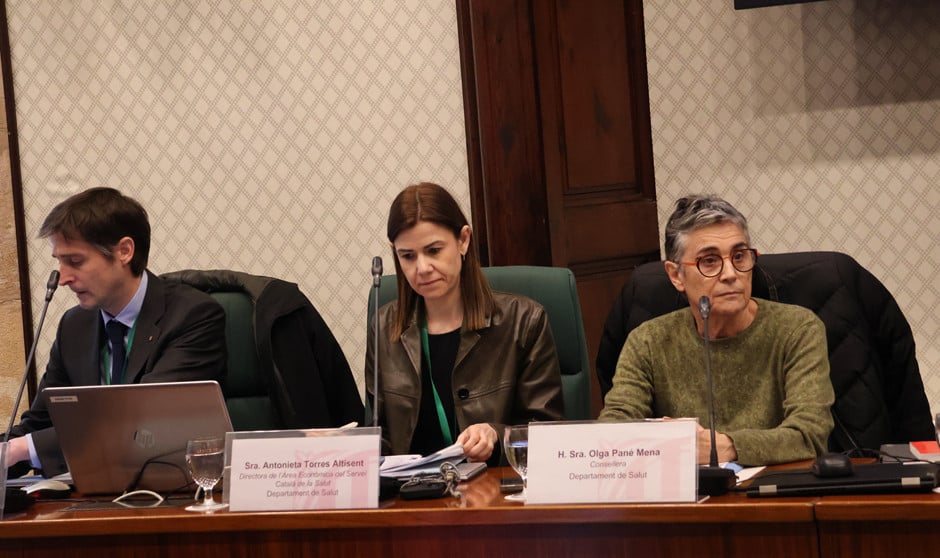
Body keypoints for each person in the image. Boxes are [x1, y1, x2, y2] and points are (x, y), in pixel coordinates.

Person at [6, 187, 226, 477]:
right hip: (91, 493)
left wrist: (24, 448)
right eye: (59, 261)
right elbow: (40, 424)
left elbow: (142, 422)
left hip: (173, 489)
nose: (63, 278)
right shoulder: (74, 326)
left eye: (75, 261)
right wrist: (9, 450)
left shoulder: (193, 316)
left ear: (124, 251)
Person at [599, 194, 834, 466]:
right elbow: (612, 432)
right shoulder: (648, 341)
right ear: (676, 275)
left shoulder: (797, 330)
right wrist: (666, 441)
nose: (731, 274)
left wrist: (724, 446)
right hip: (688, 491)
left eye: (739, 256)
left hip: (774, 488)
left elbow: (810, 435)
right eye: (709, 261)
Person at [365, 182, 564, 463]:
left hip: (493, 484)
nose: (422, 268)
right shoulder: (384, 327)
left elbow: (548, 433)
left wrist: (496, 434)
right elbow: (380, 436)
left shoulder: (525, 320)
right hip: (412, 487)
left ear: (463, 240)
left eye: (434, 250)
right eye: (407, 256)